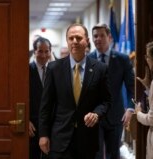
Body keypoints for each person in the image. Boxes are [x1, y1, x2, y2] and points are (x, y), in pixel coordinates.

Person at [39, 23, 111, 159]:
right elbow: (46, 105)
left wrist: (97, 113)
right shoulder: (54, 68)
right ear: (67, 41)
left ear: (87, 41)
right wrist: (43, 134)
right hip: (60, 139)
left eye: (78, 38)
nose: (74, 42)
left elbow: (106, 101)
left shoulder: (100, 69)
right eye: (71, 38)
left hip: (87, 139)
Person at [88, 23, 135, 159]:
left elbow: (131, 87)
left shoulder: (122, 59)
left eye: (102, 35)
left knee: (113, 154)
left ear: (109, 37)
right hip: (93, 116)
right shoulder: (87, 59)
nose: (98, 39)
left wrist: (130, 109)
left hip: (116, 115)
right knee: (95, 154)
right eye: (95, 36)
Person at [29, 37, 51, 159]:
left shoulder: (56, 70)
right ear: (34, 52)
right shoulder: (26, 70)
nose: (43, 55)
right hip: (33, 126)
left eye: (46, 51)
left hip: (52, 126)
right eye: (40, 51)